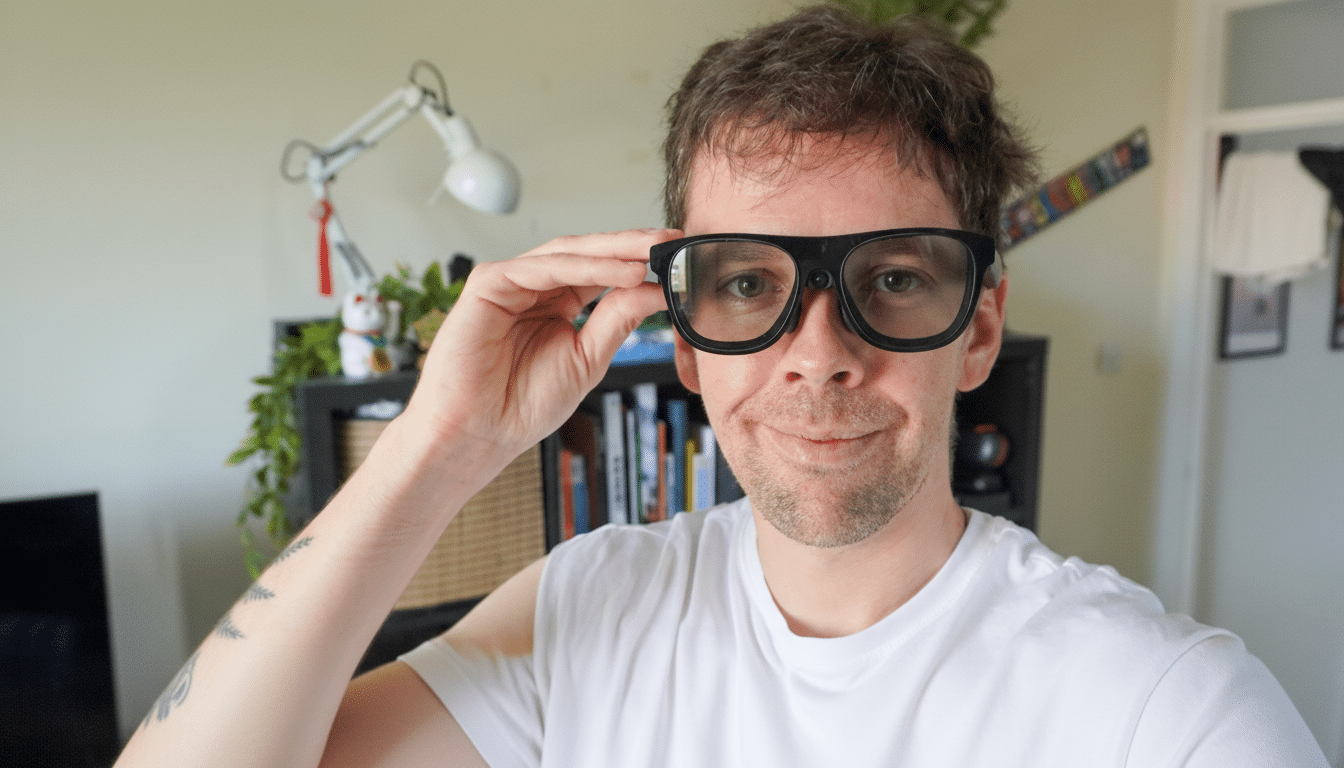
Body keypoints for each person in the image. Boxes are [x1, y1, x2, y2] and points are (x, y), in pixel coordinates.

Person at [115, 6, 1328, 767]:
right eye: (749, 285)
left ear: (978, 328)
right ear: (684, 340)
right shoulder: (587, 613)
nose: (817, 351)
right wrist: (438, 444)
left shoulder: (1167, 714)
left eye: (894, 278)